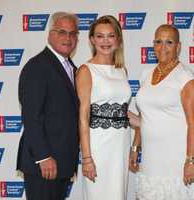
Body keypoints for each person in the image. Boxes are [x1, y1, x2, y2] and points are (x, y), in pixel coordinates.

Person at [16, 12, 79, 200]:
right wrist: (43, 157)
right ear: (50, 35)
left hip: (62, 163)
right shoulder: (37, 66)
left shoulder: (71, 68)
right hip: (44, 165)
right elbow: (31, 117)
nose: (68, 38)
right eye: (62, 32)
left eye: (73, 33)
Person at [76, 15, 139, 200]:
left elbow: (122, 111)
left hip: (120, 144)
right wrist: (87, 158)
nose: (105, 41)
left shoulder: (122, 70)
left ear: (118, 40)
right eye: (100, 36)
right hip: (98, 145)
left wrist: (148, 125)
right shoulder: (86, 70)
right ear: (92, 40)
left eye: (110, 36)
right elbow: (83, 117)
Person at [130, 24, 194, 199]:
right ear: (153, 44)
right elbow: (144, 116)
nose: (162, 47)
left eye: (169, 42)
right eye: (158, 41)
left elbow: (192, 124)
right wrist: (135, 147)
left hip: (175, 158)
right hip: (151, 157)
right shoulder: (146, 74)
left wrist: (190, 160)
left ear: (178, 47)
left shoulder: (185, 78)